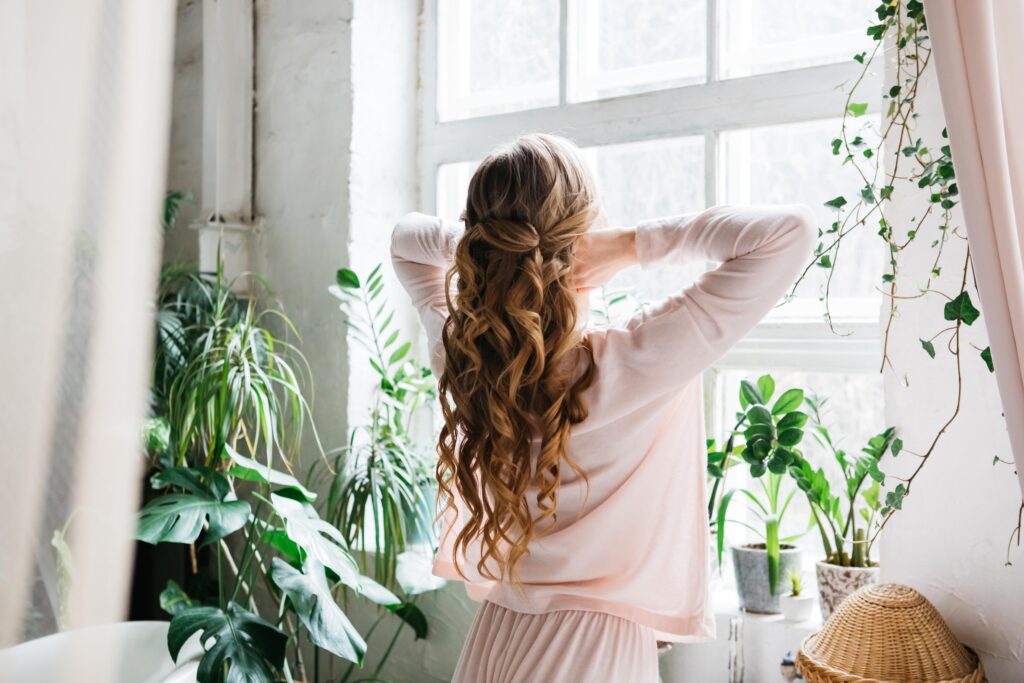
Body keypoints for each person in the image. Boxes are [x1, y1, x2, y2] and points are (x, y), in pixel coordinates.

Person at [390, 133, 815, 682]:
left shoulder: (469, 360)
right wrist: (631, 245)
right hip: (596, 652)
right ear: (583, 238)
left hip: (498, 639)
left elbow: (405, 240)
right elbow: (789, 232)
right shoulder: (637, 362)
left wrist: (494, 251)